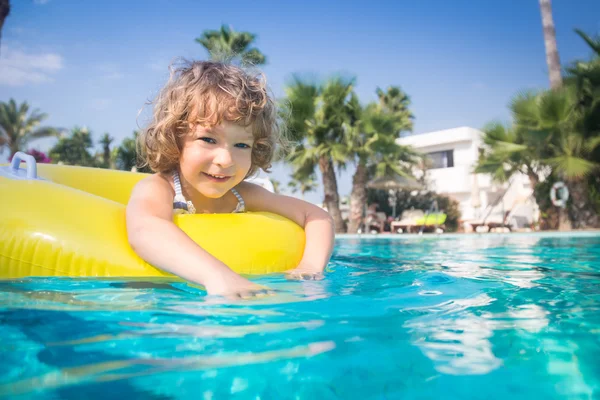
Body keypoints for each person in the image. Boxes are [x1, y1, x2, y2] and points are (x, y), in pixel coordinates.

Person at [126, 60, 334, 298]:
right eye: (208, 139)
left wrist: (310, 267)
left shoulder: (242, 194)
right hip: (162, 299)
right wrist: (218, 275)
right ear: (176, 138)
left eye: (242, 144)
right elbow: (146, 230)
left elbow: (316, 216)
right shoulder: (160, 187)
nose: (226, 159)